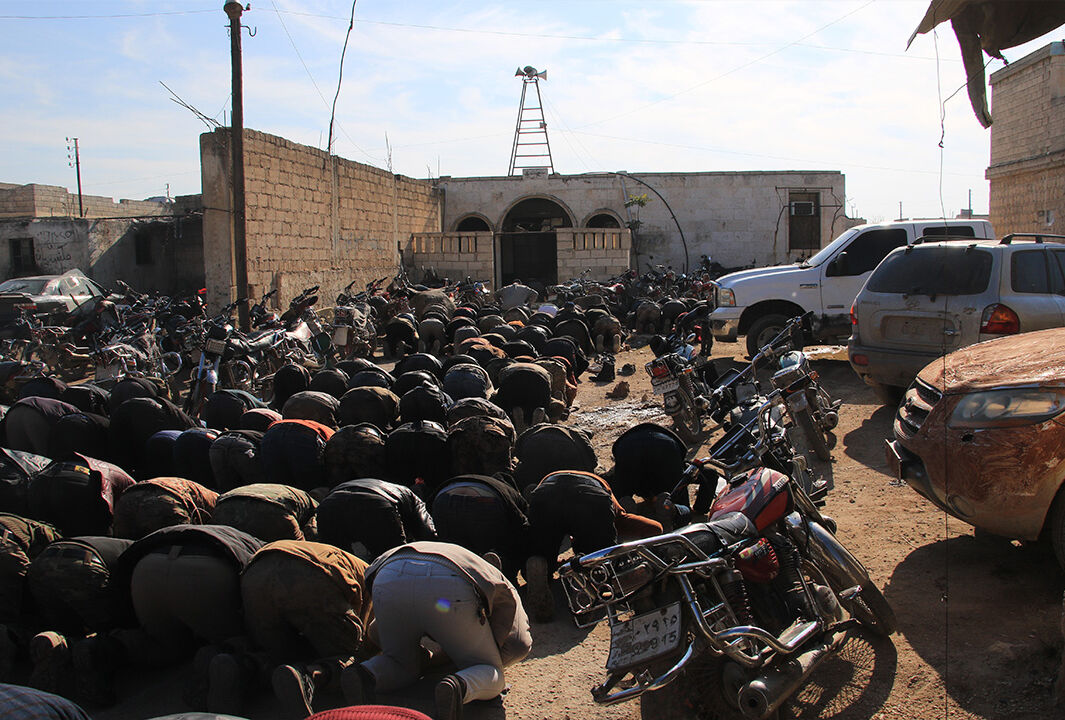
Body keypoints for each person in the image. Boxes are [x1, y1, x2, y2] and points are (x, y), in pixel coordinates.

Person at [341, 541, 532, 720]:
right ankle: (457, 686)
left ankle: (364, 674)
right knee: (491, 670)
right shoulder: (501, 582)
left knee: (399, 663)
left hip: (387, 576)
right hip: (450, 585)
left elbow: (375, 632)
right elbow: (518, 643)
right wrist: (479, 656)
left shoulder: (463, 557)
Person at [523, 470, 663, 622]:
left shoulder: (547, 479)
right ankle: (586, 581)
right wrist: (656, 528)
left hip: (546, 494)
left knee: (542, 548)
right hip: (592, 497)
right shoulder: (604, 488)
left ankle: (540, 562)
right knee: (598, 559)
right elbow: (623, 520)